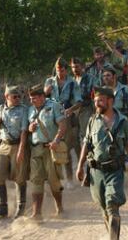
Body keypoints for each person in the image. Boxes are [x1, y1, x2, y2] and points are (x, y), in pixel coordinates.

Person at [76, 86, 128, 240]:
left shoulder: (123, 122)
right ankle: (111, 237)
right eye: (95, 100)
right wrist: (80, 165)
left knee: (113, 205)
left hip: (115, 170)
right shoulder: (93, 120)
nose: (97, 103)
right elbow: (86, 143)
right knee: (104, 208)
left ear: (110, 101)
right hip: (96, 171)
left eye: (100, 100)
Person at [0, 85, 29, 219]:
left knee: (19, 177)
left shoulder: (23, 110)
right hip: (4, 145)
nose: (17, 99)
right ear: (7, 97)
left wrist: (21, 150)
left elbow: (24, 131)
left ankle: (21, 207)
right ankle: (2, 207)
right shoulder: (0, 109)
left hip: (17, 145)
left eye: (19, 96)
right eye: (14, 96)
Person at [28, 85, 67, 219]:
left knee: (53, 180)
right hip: (36, 148)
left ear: (42, 97)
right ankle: (36, 213)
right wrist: (30, 128)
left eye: (34, 98)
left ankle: (60, 207)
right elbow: (29, 128)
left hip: (50, 148)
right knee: (36, 180)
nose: (32, 101)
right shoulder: (30, 110)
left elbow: (62, 125)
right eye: (30, 99)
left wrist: (56, 140)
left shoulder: (54, 106)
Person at [44, 57, 82, 189]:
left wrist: (70, 110)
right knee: (50, 147)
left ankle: (70, 179)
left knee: (65, 148)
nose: (60, 72)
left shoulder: (72, 83)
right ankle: (54, 178)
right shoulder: (49, 81)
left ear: (66, 70)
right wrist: (45, 93)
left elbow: (79, 101)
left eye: (62, 69)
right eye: (58, 69)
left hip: (65, 116)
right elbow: (41, 99)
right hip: (50, 117)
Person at [71, 57, 97, 143]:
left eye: (77, 67)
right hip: (74, 111)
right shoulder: (72, 80)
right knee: (74, 138)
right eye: (73, 67)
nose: (75, 69)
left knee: (87, 135)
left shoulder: (90, 78)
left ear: (82, 66)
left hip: (87, 109)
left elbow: (95, 95)